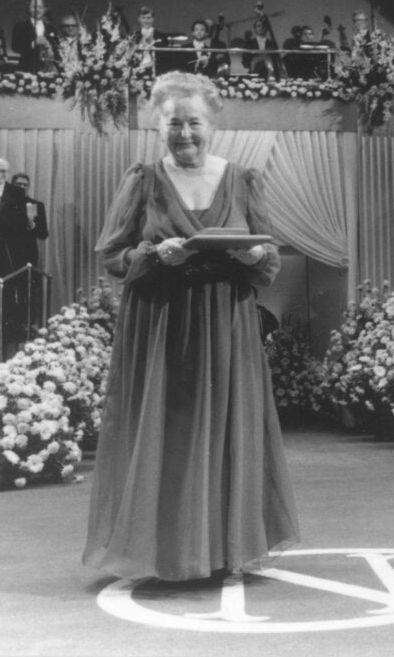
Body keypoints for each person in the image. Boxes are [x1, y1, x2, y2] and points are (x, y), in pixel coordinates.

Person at [83, 72, 299, 581]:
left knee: (228, 430)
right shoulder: (142, 179)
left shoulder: (243, 179)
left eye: (193, 122)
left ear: (212, 124)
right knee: (169, 433)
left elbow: (269, 261)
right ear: (158, 127)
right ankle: (170, 554)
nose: (184, 134)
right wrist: (154, 254)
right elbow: (110, 254)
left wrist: (252, 253)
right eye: (173, 124)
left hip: (226, 325)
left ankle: (222, 551)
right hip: (160, 326)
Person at [10, 172, 48, 268]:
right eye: (19, 184)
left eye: (25, 185)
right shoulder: (5, 205)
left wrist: (32, 225)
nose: (22, 187)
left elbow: (43, 234)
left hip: (28, 254)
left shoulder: (34, 205)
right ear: (12, 186)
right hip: (8, 254)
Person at [11, 0, 57, 72]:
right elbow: (15, 47)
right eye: (34, 7)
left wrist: (50, 47)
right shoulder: (20, 26)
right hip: (26, 68)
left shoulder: (51, 28)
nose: (37, 10)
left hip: (47, 70)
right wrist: (33, 43)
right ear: (29, 9)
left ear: (45, 10)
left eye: (40, 7)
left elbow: (57, 49)